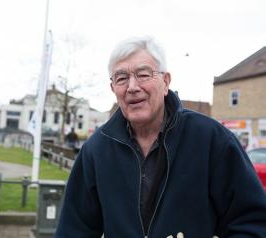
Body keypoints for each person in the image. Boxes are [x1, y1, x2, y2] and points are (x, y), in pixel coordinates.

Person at [55, 36, 266, 238]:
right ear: (113, 89)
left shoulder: (211, 140)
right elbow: (73, 231)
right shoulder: (96, 151)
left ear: (165, 82)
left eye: (143, 74)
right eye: (121, 78)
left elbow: (253, 222)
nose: (132, 87)